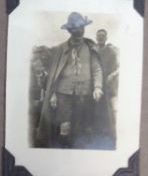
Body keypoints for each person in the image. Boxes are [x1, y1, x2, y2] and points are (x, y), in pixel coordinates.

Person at [35, 12, 114, 149]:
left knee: (82, 126)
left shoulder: (91, 48)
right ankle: (64, 151)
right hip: (63, 94)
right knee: (64, 126)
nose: (79, 31)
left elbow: (97, 69)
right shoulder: (61, 49)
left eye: (81, 28)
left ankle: (80, 154)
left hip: (85, 94)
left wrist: (97, 87)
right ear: (70, 31)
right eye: (75, 29)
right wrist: (53, 93)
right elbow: (54, 74)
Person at [95, 29, 119, 123]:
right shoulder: (93, 51)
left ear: (106, 38)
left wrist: (110, 78)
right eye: (99, 36)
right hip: (93, 85)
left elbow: (114, 70)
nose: (100, 37)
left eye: (102, 36)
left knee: (106, 110)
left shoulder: (111, 52)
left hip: (106, 85)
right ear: (96, 37)